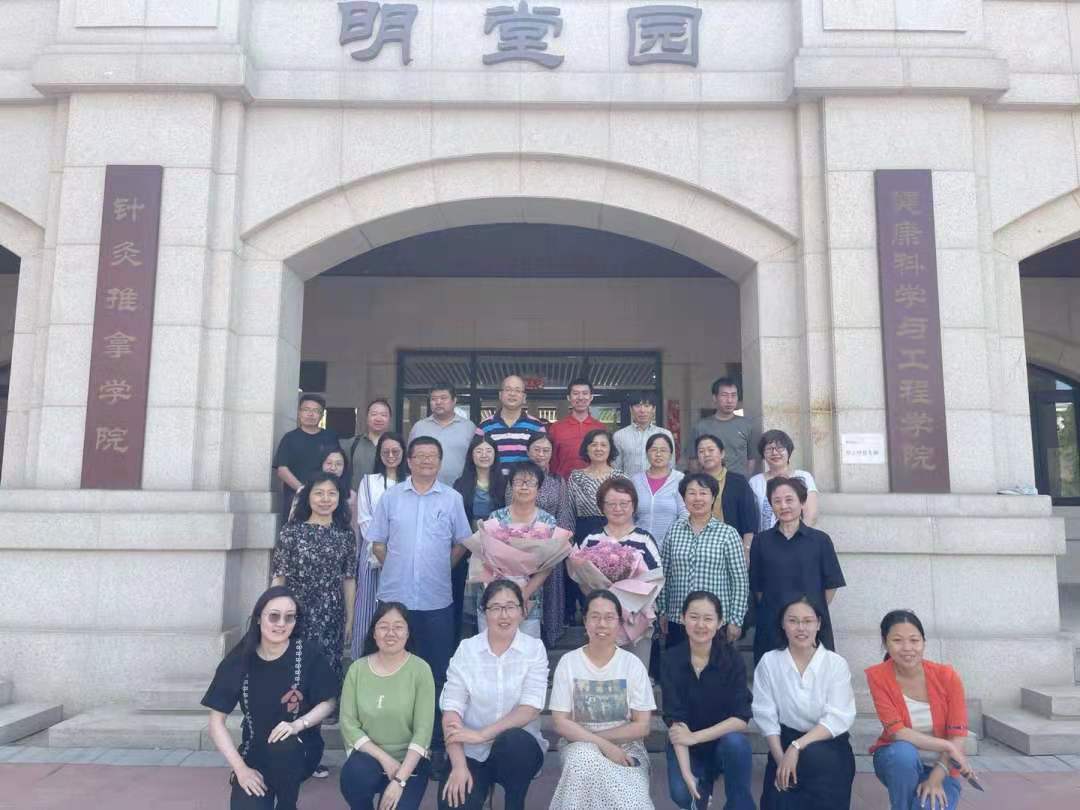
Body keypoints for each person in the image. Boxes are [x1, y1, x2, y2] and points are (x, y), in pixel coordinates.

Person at [366, 436, 473, 760]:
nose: (427, 461)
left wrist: (442, 566)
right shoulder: (391, 497)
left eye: (433, 456)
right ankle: (390, 740)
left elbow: (462, 542)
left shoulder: (452, 499)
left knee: (436, 673)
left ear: (440, 462)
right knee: (389, 668)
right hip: (394, 600)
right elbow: (377, 542)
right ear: (409, 461)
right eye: (420, 456)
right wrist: (396, 567)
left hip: (436, 601)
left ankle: (436, 745)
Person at [203, 586, 338, 810]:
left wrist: (298, 724)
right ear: (258, 618)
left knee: (284, 745)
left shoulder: (308, 654)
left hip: (299, 749)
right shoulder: (239, 660)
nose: (281, 624)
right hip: (256, 753)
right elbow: (216, 723)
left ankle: (287, 805)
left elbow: (329, 701)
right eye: (274, 616)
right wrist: (241, 770)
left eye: (289, 617)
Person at [439, 580, 549, 810]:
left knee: (515, 741)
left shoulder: (534, 649)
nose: (504, 615)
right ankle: (479, 789)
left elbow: (529, 709)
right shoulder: (467, 650)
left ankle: (514, 804)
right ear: (484, 612)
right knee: (454, 802)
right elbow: (451, 711)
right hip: (470, 750)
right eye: (496, 608)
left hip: (516, 752)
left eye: (510, 607)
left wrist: (481, 735)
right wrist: (458, 766)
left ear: (522, 611)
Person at [548, 590, 657, 810]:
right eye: (595, 617)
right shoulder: (569, 663)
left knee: (633, 804)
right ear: (585, 621)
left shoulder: (632, 665)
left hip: (626, 748)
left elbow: (642, 726)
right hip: (578, 747)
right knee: (583, 760)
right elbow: (560, 722)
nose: (602, 624)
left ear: (619, 623)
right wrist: (602, 745)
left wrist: (597, 740)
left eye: (609, 617)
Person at [752, 596, 856, 810]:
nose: (801, 628)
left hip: (827, 746)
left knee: (816, 762)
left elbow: (837, 718)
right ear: (782, 624)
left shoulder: (835, 664)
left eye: (808, 621)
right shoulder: (769, 662)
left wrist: (797, 746)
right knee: (777, 801)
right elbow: (765, 715)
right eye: (793, 621)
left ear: (818, 623)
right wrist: (781, 759)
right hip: (784, 742)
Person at [866, 609, 974, 810]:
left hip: (942, 767)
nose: (907, 648)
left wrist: (936, 778)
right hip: (896, 761)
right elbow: (898, 733)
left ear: (924, 642)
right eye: (897, 640)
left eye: (914, 640)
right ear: (885, 643)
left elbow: (957, 736)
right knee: (903, 753)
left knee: (928, 806)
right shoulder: (878, 676)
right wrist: (948, 746)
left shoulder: (947, 677)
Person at [661, 591, 754, 810]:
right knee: (683, 794)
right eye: (694, 617)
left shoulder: (732, 660)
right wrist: (687, 775)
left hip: (722, 742)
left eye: (708, 618)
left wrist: (695, 737)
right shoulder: (671, 659)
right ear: (682, 618)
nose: (700, 625)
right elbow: (676, 722)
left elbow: (741, 719)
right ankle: (699, 789)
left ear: (720, 622)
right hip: (686, 746)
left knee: (737, 744)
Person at [339, 602, 434, 810]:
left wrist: (399, 780)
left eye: (398, 627)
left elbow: (423, 731)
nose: (391, 633)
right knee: (354, 777)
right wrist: (385, 759)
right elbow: (348, 725)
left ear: (408, 633)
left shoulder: (421, 670)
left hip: (408, 764)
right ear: (374, 633)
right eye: (383, 626)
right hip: (368, 759)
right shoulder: (357, 669)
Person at [749, 476, 845, 665]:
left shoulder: (820, 540)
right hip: (772, 624)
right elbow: (758, 588)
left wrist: (807, 612)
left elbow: (831, 585)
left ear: (802, 502)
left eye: (789, 500)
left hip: (809, 625)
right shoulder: (761, 541)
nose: (783, 506)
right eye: (777, 501)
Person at [272, 473, 357, 684]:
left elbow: (349, 579)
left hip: (331, 613)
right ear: (308, 496)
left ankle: (326, 702)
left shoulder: (346, 534)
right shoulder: (291, 531)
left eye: (331, 493)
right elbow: (279, 576)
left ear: (339, 498)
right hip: (296, 610)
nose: (325, 499)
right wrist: (272, 611)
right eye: (319, 493)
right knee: (294, 664)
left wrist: (350, 618)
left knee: (326, 666)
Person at [473, 461, 568, 638]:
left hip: (528, 597)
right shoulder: (496, 517)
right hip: (494, 594)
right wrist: (497, 590)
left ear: (538, 488)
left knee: (526, 646)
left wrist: (524, 593)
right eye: (518, 482)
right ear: (511, 486)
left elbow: (548, 565)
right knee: (491, 645)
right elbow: (485, 557)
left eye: (530, 482)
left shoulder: (547, 521)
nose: (524, 487)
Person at [573, 478, 663, 667]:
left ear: (633, 505)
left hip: (636, 620)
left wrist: (629, 601)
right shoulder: (592, 539)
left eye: (624, 503)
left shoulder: (644, 540)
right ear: (602, 507)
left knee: (636, 672)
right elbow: (582, 578)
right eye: (611, 504)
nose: (618, 508)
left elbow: (655, 580)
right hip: (601, 620)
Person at [657, 473, 748, 649]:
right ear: (684, 498)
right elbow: (664, 574)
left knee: (715, 665)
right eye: (691, 493)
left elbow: (739, 581)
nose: (697, 498)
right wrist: (662, 611)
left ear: (713, 497)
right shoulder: (674, 531)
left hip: (715, 622)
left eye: (703, 493)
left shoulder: (728, 534)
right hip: (679, 619)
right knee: (678, 664)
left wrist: (736, 620)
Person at [350, 432, 409, 658]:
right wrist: (382, 547)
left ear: (404, 453)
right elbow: (365, 519)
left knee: (399, 612)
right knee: (367, 610)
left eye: (396, 451)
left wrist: (397, 549)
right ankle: (361, 659)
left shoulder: (410, 482)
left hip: (404, 557)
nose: (391, 455)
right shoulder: (368, 481)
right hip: (372, 555)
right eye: (386, 452)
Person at [566, 429, 627, 620]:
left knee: (613, 580)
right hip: (584, 532)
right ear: (586, 448)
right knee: (586, 584)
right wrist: (570, 541)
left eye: (603, 445)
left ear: (610, 449)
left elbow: (628, 510)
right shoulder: (576, 477)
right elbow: (569, 511)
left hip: (614, 533)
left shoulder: (620, 477)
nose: (598, 449)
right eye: (593, 444)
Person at [524, 433, 574, 646]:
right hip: (522, 549)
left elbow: (564, 514)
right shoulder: (519, 478)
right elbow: (511, 511)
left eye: (546, 450)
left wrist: (557, 544)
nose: (541, 454)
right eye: (536, 449)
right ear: (528, 451)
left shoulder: (557, 481)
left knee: (551, 592)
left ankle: (550, 636)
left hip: (552, 549)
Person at [454, 435, 507, 639]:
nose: (484, 455)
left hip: (497, 545)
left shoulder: (504, 482)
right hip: (467, 544)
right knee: (466, 592)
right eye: (479, 451)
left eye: (488, 451)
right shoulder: (461, 483)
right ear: (471, 455)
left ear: (495, 455)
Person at [272, 394, 341, 521]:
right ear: (299, 413)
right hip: (297, 498)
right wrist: (304, 490)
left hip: (325, 500)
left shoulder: (330, 437)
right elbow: (282, 470)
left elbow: (337, 464)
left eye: (316, 411)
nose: (310, 414)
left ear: (321, 415)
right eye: (306, 410)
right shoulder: (289, 438)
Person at [695, 434, 759, 552]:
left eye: (711, 450)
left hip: (732, 548)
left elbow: (749, 521)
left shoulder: (738, 482)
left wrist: (746, 550)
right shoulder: (693, 483)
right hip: (699, 547)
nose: (706, 454)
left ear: (722, 453)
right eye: (701, 451)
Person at [749, 429, 819, 531]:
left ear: (788, 451)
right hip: (765, 539)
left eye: (780, 448)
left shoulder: (804, 477)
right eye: (769, 449)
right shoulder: (755, 482)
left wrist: (797, 537)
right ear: (763, 454)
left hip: (798, 538)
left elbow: (811, 515)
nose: (774, 452)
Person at [409, 383, 477, 486]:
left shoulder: (469, 427)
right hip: (424, 488)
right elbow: (409, 457)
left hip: (460, 488)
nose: (438, 402)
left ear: (454, 401)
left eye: (443, 398)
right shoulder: (419, 427)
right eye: (434, 399)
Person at [475, 375, 546, 472]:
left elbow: (542, 461)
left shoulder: (537, 426)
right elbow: (475, 458)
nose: (512, 394)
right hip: (494, 481)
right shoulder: (484, 426)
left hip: (526, 481)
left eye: (517, 390)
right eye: (508, 389)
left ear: (524, 397)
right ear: (500, 395)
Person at [690, 377, 756, 478]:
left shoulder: (746, 425)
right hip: (710, 483)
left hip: (738, 482)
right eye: (724, 395)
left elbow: (751, 460)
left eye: (733, 395)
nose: (729, 400)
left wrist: (744, 479)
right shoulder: (701, 427)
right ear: (715, 398)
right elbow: (693, 461)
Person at [631, 432, 686, 551]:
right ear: (647, 454)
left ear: (671, 454)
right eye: (654, 450)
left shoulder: (680, 479)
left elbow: (685, 514)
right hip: (639, 547)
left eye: (663, 450)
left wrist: (673, 539)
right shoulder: (636, 480)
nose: (658, 454)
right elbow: (629, 514)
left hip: (670, 547)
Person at [548, 377, 605, 479]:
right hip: (563, 484)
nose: (580, 397)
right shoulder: (556, 427)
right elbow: (551, 460)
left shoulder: (600, 428)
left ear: (591, 397)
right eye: (575, 393)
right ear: (569, 397)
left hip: (594, 483)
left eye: (585, 393)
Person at [286, 446, 354, 525]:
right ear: (321, 464)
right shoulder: (304, 489)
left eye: (338, 464)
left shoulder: (352, 495)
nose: (333, 468)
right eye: (329, 463)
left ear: (344, 467)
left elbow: (353, 526)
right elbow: (293, 519)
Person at [614, 391, 674, 478]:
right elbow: (616, 468)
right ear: (631, 409)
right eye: (637, 406)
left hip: (659, 484)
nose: (642, 410)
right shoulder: (619, 436)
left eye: (647, 406)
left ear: (654, 409)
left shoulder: (665, 434)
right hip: (629, 485)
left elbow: (671, 465)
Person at [343, 398, 392, 490]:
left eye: (383, 415)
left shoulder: (396, 446)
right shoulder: (352, 444)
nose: (378, 419)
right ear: (367, 418)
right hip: (357, 497)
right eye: (374, 414)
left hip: (389, 497)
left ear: (389, 419)